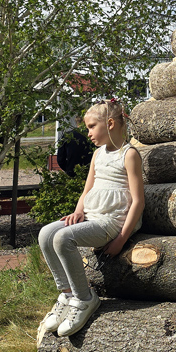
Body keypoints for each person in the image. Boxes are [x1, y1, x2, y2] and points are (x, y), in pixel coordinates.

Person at [37, 99, 144, 338]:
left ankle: (84, 298)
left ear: (110, 124)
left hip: (111, 222)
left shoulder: (129, 155)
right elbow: (87, 190)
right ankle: (66, 293)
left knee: (63, 239)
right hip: (91, 217)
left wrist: (121, 238)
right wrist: (78, 211)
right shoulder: (98, 154)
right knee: (46, 234)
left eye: (91, 126)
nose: (88, 133)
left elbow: (138, 201)